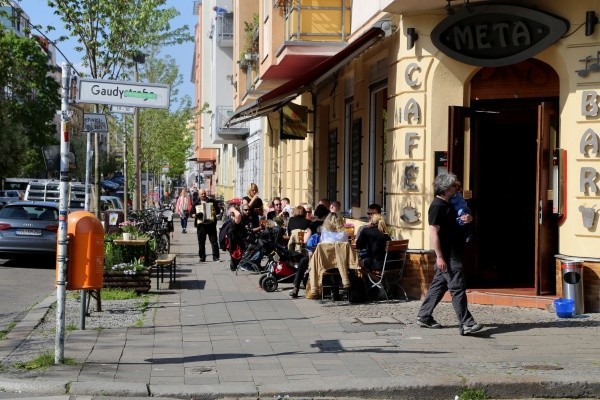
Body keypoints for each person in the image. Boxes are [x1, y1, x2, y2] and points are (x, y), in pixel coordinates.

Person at [416, 172, 482, 336]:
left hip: (454, 251)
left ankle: (424, 316)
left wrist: (469, 219)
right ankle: (467, 323)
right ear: (445, 188)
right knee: (457, 287)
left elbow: (459, 221)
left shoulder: (450, 204)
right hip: (448, 254)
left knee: (439, 285)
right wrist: (439, 256)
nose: (456, 188)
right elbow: (433, 232)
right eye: (453, 186)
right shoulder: (437, 206)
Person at [192, 189, 221, 262]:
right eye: (202, 194)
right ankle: (202, 257)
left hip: (211, 224)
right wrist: (195, 215)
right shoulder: (196, 203)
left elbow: (218, 211)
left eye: (204, 193)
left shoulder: (212, 201)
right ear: (199, 195)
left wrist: (215, 212)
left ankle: (216, 257)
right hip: (201, 225)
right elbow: (191, 213)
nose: (203, 195)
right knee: (201, 242)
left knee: (214, 241)